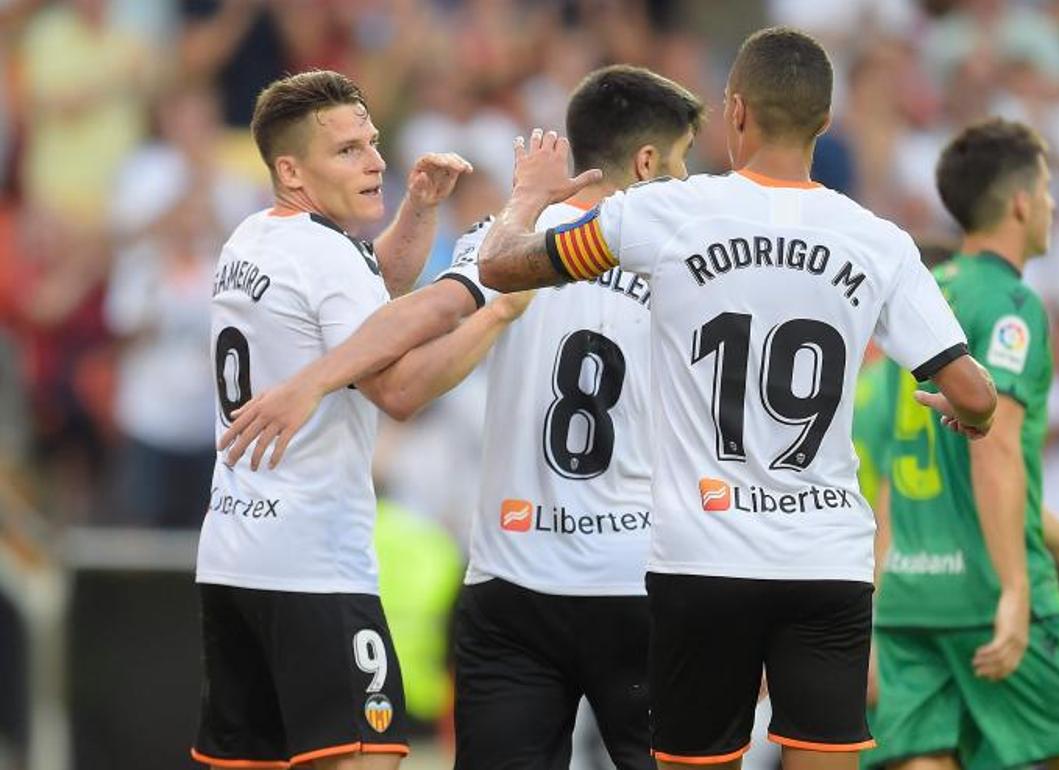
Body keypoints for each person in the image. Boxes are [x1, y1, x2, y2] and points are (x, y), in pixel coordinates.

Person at [477, 26, 997, 770]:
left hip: (702, 560)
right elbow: (975, 393)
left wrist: (526, 198)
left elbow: (501, 266)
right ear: (825, 121)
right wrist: (964, 415)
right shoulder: (878, 241)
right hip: (825, 561)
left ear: (736, 112)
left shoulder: (668, 214)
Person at [217, 64, 706, 770]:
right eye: (684, 161)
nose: (687, 181)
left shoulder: (495, 241)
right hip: (639, 576)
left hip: (510, 583)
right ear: (647, 161)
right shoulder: (687, 260)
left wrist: (490, 220)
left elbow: (396, 347)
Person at [192, 69, 525, 770]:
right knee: (366, 758)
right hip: (314, 566)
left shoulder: (252, 238)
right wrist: (486, 289)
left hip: (232, 556)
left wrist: (419, 211)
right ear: (292, 169)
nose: (375, 160)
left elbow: (361, 303)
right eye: (347, 150)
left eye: (372, 143)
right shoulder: (321, 253)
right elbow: (398, 386)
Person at [867, 118, 1059, 770]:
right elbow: (994, 449)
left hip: (910, 600)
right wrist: (1018, 588)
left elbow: (943, 468)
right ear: (1020, 201)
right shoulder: (1010, 303)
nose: (1050, 203)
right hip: (988, 589)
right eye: (1045, 188)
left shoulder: (927, 299)